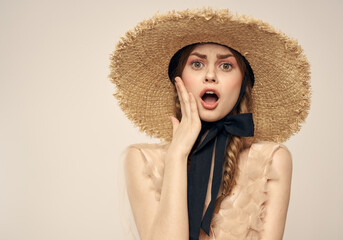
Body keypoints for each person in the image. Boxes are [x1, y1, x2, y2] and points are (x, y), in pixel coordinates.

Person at [109, 8, 311, 240]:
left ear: (243, 83)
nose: (210, 76)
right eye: (197, 64)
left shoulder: (271, 160)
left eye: (226, 66)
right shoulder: (143, 160)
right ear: (178, 80)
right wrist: (177, 154)